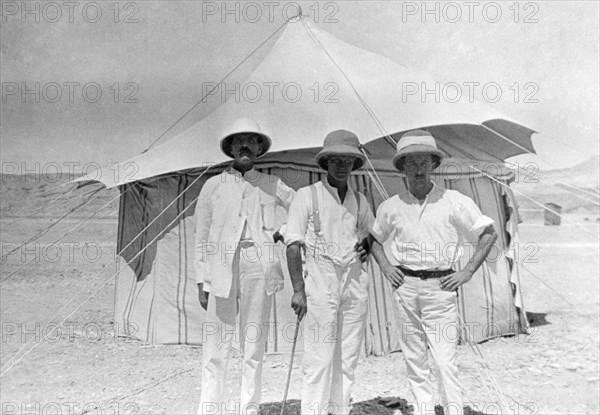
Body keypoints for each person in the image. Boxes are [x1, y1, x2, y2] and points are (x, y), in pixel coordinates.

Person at [369, 130, 498, 415]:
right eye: (410, 163)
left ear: (433, 165)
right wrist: (387, 267)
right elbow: (374, 240)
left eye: (423, 162)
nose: (417, 169)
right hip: (406, 287)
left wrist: (467, 271)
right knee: (415, 359)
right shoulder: (391, 206)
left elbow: (488, 234)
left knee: (444, 361)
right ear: (401, 167)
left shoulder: (453, 201)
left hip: (440, 289)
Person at [194, 118, 295, 415]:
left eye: (252, 140)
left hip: (257, 265)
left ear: (260, 147)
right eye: (239, 141)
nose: (245, 146)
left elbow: (302, 207)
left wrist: (281, 231)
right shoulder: (213, 186)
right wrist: (201, 280)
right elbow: (201, 235)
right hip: (221, 267)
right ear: (231, 148)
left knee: (252, 346)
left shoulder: (270, 183)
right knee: (215, 348)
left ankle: (248, 410)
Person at [285, 129, 375, 415]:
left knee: (347, 359)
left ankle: (340, 411)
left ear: (354, 164)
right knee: (319, 360)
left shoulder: (360, 201)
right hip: (320, 281)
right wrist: (298, 289)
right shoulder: (307, 196)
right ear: (325, 163)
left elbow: (375, 235)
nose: (341, 165)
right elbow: (292, 245)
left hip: (354, 281)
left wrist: (367, 246)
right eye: (335, 159)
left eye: (347, 159)